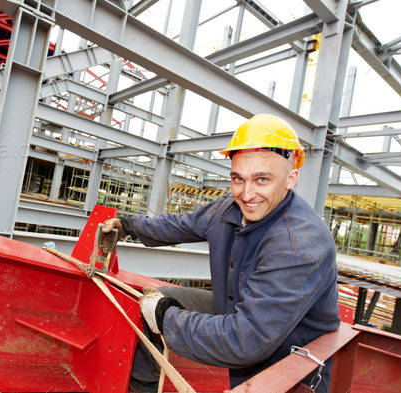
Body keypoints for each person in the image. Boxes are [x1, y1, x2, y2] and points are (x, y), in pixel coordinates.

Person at [101, 114, 340, 393]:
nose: (247, 193)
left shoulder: (297, 247)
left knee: (160, 307)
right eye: (238, 178)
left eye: (262, 179)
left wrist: (167, 318)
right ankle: (142, 387)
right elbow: (182, 224)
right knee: (146, 301)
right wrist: (130, 226)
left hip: (287, 366)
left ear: (291, 179)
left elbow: (247, 339)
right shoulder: (231, 207)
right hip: (239, 309)